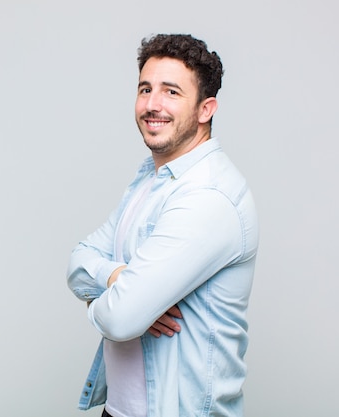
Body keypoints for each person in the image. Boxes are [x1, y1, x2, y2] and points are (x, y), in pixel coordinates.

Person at [66, 33, 259, 417]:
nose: (152, 105)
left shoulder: (208, 195)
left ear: (206, 109)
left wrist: (118, 297)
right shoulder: (151, 179)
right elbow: (78, 262)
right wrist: (119, 277)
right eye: (145, 89)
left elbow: (120, 319)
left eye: (172, 92)